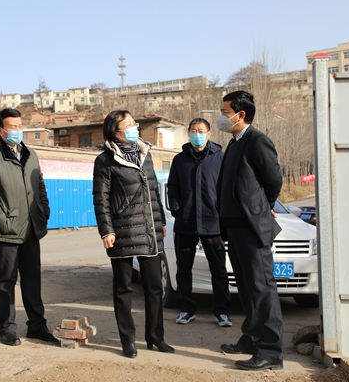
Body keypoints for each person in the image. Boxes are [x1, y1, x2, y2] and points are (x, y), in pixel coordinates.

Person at [92, 109, 174, 359]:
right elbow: (101, 199)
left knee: (154, 287)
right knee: (123, 289)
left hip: (149, 230)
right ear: (115, 132)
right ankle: (127, 340)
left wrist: (160, 221)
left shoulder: (144, 153)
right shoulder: (105, 160)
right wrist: (106, 230)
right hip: (122, 231)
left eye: (133, 123)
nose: (134, 128)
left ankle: (155, 336)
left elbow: (153, 191)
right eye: (128, 125)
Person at [0, 108, 57, 347]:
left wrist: (43, 211)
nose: (17, 131)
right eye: (12, 127)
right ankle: (7, 329)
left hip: (31, 227)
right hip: (8, 230)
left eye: (20, 126)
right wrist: (3, 222)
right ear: (0, 130)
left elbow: (39, 185)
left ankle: (37, 326)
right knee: (6, 282)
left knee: (32, 279)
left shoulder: (30, 154)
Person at [216, 91, 284, 371]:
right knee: (246, 287)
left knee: (262, 288)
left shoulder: (257, 140)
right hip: (234, 227)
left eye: (224, 111)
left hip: (252, 227)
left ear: (240, 114)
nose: (221, 117)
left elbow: (273, 180)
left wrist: (265, 205)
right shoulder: (234, 143)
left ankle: (270, 351)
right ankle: (252, 337)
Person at [167, 118, 232, 327]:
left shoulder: (220, 158)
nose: (197, 134)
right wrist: (177, 208)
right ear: (189, 133)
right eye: (193, 131)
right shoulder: (180, 160)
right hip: (186, 222)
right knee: (183, 269)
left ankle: (222, 311)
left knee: (219, 270)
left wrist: (222, 212)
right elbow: (173, 187)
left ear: (209, 134)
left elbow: (227, 188)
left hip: (212, 223)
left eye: (201, 131)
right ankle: (186, 309)